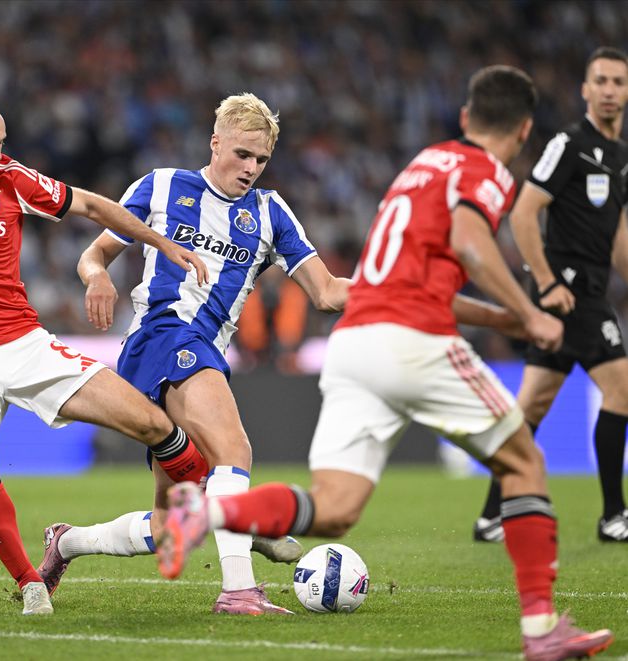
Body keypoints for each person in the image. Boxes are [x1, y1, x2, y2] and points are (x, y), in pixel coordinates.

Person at [157, 66, 615, 661]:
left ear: (465, 117)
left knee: (334, 509)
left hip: (355, 344)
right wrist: (529, 311)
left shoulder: (422, 167)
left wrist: (504, 321)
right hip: (415, 340)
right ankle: (540, 630)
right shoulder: (485, 171)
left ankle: (206, 511)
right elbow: (471, 243)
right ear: (525, 130)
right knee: (524, 461)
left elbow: (403, 281)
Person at [0, 95, 211, 617]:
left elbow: (93, 207)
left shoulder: (12, 180)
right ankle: (31, 582)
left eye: (1, 143)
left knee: (154, 425)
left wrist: (163, 244)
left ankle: (230, 516)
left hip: (25, 345)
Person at [33, 92, 345, 616]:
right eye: (242, 154)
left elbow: (328, 291)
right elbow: (94, 253)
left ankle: (66, 542)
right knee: (233, 452)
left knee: (171, 525)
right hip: (163, 335)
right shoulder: (161, 186)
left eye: (261, 159)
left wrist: (397, 293)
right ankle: (239, 590)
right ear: (215, 142)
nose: (251, 168)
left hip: (200, 351)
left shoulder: (270, 212)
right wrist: (97, 277)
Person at [474, 47, 628, 544]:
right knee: (622, 390)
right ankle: (614, 514)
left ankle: (490, 515)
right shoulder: (569, 143)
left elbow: (618, 238)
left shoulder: (621, 157)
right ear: (585, 89)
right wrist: (547, 283)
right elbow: (523, 212)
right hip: (569, 294)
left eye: (618, 82)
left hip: (586, 291)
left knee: (532, 406)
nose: (609, 90)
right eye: (600, 81)